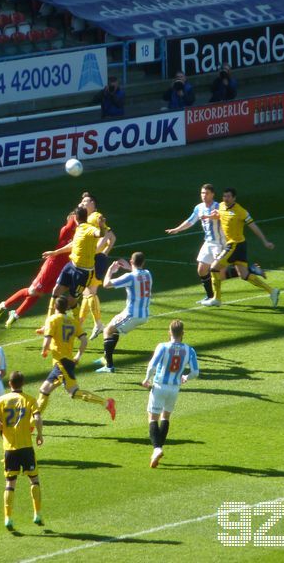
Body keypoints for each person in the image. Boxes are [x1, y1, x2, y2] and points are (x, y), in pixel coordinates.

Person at [0, 211, 76, 329]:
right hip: (51, 266)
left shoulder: (80, 235)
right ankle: (4, 305)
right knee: (33, 291)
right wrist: (80, 209)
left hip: (63, 269)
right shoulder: (66, 231)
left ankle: (16, 314)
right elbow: (71, 222)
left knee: (39, 293)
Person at [37, 297, 116, 419]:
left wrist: (44, 350)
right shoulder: (73, 322)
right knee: (44, 390)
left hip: (61, 363)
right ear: (67, 308)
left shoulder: (52, 319)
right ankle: (32, 422)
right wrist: (78, 355)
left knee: (74, 393)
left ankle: (106, 403)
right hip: (65, 361)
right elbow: (84, 340)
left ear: (54, 307)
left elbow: (46, 342)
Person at [166, 183, 242, 305]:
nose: (204, 196)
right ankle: (210, 296)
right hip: (208, 242)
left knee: (219, 273)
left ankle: (246, 271)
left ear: (212, 194)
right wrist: (177, 229)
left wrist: (210, 216)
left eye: (206, 193)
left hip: (219, 243)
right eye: (202, 193)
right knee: (202, 270)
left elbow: (220, 217)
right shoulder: (199, 208)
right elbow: (190, 221)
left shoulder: (219, 206)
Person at [204, 187, 280, 308]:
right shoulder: (221, 206)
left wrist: (265, 241)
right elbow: (221, 216)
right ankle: (272, 291)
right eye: (224, 196)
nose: (226, 199)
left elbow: (253, 226)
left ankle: (216, 299)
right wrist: (211, 216)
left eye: (228, 196)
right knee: (244, 275)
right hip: (239, 245)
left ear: (234, 198)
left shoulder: (241, 211)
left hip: (235, 245)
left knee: (213, 268)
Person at [141, 319, 198, 468]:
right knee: (165, 416)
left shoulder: (163, 347)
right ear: (183, 333)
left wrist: (147, 379)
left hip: (159, 385)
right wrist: (185, 377)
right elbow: (195, 372)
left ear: (169, 332)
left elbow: (152, 365)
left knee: (152, 417)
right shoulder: (189, 350)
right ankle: (158, 448)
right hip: (174, 388)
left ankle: (157, 448)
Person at [0, 371, 44, 530]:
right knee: (34, 480)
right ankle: (37, 514)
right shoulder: (30, 400)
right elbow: (37, 418)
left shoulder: (1, 400)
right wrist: (40, 434)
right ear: (23, 383)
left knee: (10, 483)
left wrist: (3, 430)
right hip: (26, 447)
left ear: (10, 384)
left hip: (10, 448)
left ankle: (8, 518)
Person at [94, 252, 152, 373]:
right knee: (113, 328)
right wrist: (129, 267)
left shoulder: (129, 277)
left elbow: (106, 284)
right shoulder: (148, 274)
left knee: (107, 331)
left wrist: (110, 270)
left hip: (132, 314)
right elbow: (138, 273)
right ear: (143, 262)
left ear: (131, 261)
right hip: (144, 314)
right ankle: (106, 359)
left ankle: (109, 366)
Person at [41, 206, 106, 314]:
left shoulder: (89, 229)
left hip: (84, 272)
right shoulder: (79, 229)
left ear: (75, 217)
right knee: (56, 291)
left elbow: (100, 234)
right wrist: (54, 253)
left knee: (71, 302)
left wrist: (101, 226)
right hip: (71, 265)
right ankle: (49, 322)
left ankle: (77, 328)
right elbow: (73, 244)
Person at [78, 192, 117, 340]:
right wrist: (105, 252)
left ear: (93, 204)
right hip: (93, 259)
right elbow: (112, 237)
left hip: (94, 260)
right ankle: (80, 323)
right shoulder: (87, 218)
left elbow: (109, 237)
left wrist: (100, 252)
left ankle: (98, 323)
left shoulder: (95, 217)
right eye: (81, 202)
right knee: (86, 294)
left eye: (86, 201)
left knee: (89, 293)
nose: (82, 203)